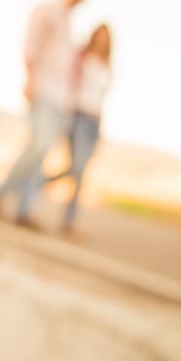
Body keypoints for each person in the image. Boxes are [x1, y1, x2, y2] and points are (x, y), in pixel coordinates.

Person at [0, 0, 93, 228]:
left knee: (42, 153)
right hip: (43, 91)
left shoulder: (70, 24)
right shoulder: (49, 11)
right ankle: (0, 192)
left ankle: (24, 210)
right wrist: (30, 79)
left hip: (61, 100)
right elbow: (32, 45)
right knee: (37, 147)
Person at [45, 24, 112, 233]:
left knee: (81, 173)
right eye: (99, 36)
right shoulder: (82, 57)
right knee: (77, 169)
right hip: (79, 116)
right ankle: (37, 183)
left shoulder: (107, 65)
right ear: (93, 37)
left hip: (95, 119)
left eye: (106, 37)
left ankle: (69, 221)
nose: (102, 40)